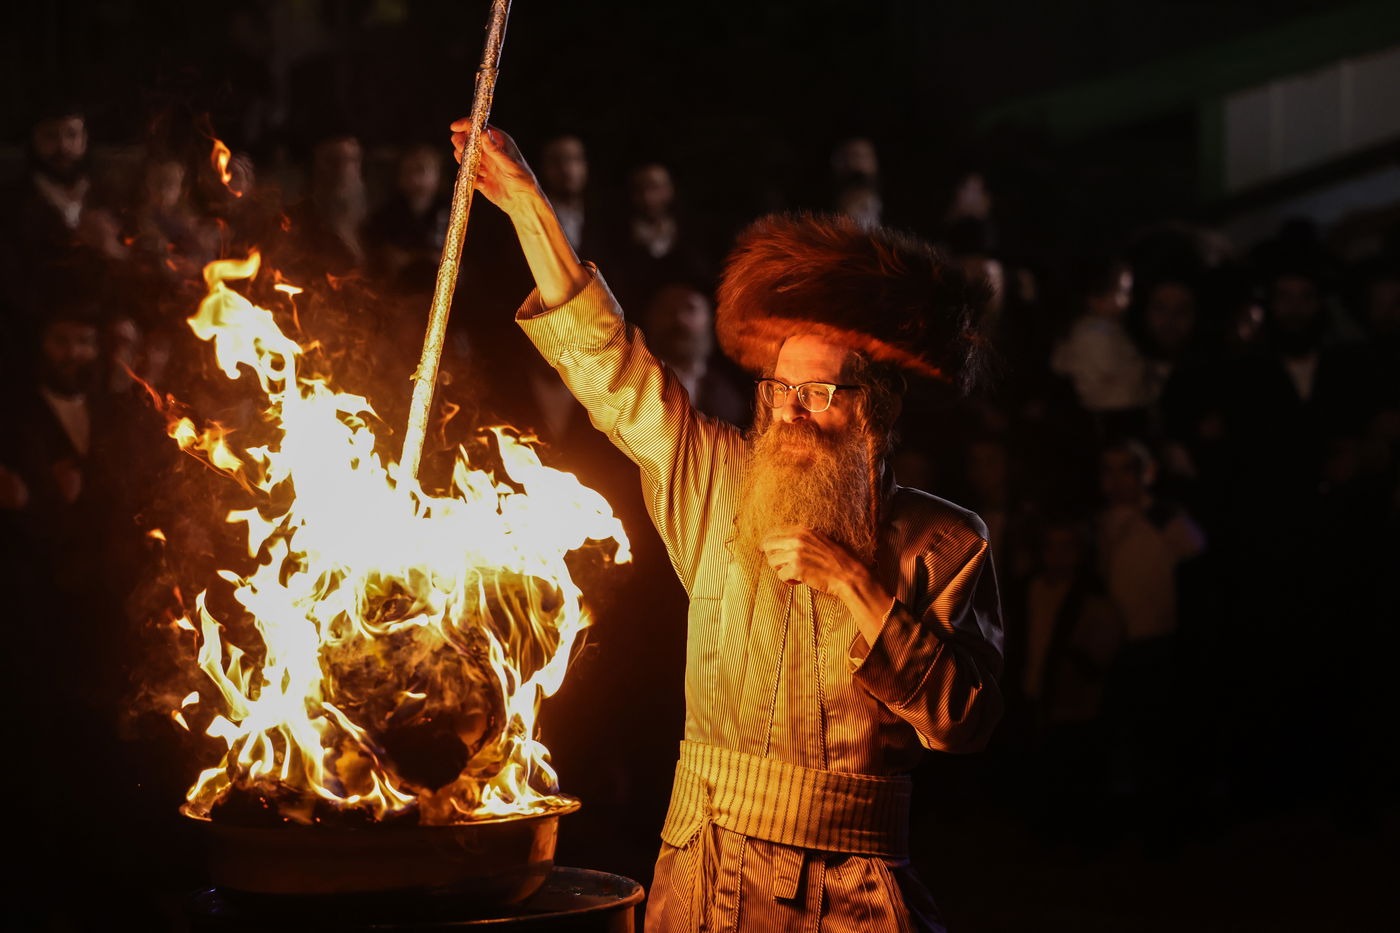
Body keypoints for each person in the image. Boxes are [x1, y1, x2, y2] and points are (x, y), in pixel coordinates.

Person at [454, 122, 1003, 932]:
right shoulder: (716, 480)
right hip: (704, 871)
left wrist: (858, 587)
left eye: (821, 394)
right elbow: (610, 366)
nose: (792, 412)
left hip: (850, 892)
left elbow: (965, 722)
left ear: (874, 410)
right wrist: (531, 207)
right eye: (780, 390)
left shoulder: (946, 541)